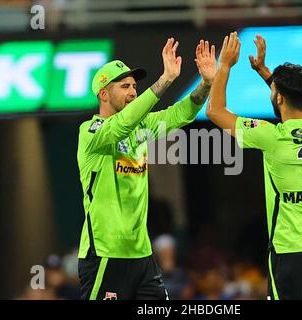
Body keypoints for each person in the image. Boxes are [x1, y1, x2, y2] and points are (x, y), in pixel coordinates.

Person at [207, 32, 302, 300]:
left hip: (292, 254)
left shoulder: (272, 136)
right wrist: (265, 73)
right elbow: (294, 101)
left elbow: (215, 110)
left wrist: (224, 65)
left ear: (279, 97)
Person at [77, 38, 217, 300]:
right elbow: (120, 125)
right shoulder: (91, 132)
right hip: (106, 254)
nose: (133, 92)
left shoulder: (142, 128)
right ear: (104, 94)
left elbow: (181, 113)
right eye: (124, 86)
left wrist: (207, 83)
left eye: (134, 86)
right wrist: (164, 81)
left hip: (141, 255)